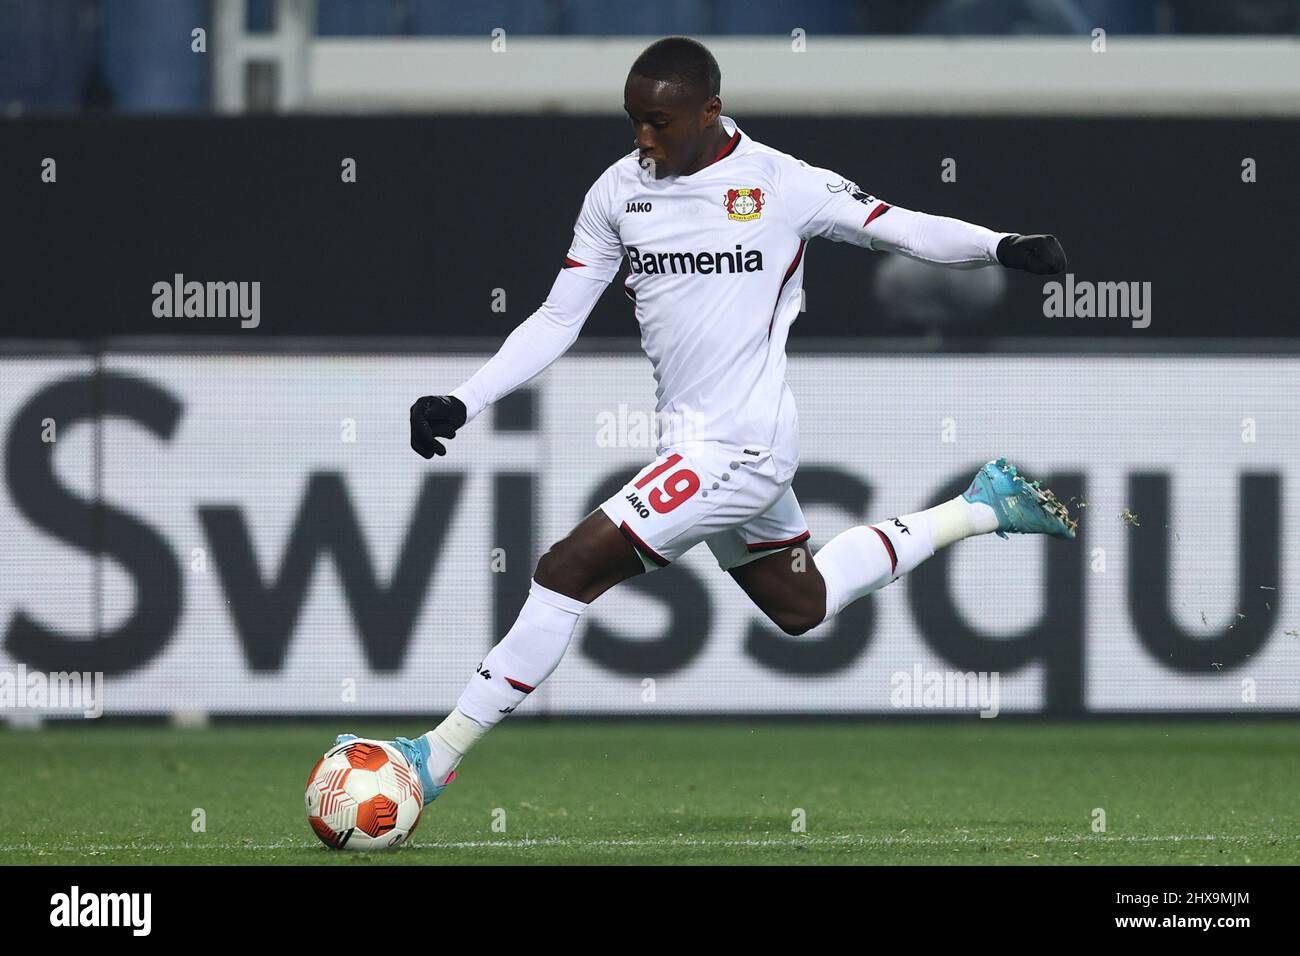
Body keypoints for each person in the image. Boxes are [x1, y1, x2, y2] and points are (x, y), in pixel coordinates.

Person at [339, 36, 1075, 806]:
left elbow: (902, 226)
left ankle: (434, 756)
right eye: (632, 120)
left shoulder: (781, 183)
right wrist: (467, 397)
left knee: (566, 570)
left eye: (658, 122)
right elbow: (558, 318)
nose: (642, 139)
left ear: (710, 111)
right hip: (694, 442)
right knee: (803, 604)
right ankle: (981, 507)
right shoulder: (617, 192)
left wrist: (1000, 246)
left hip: (743, 444)